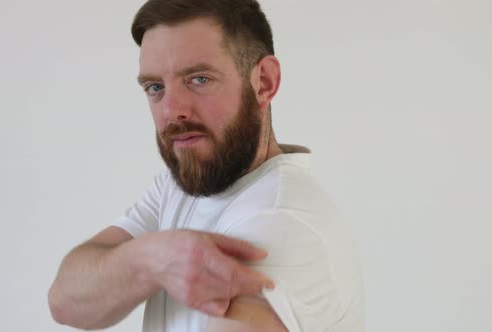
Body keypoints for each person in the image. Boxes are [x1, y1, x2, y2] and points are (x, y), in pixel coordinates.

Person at [48, 0, 364, 331]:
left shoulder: (276, 225)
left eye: (199, 79)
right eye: (155, 87)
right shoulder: (181, 187)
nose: (172, 110)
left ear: (264, 82)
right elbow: (66, 302)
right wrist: (153, 259)